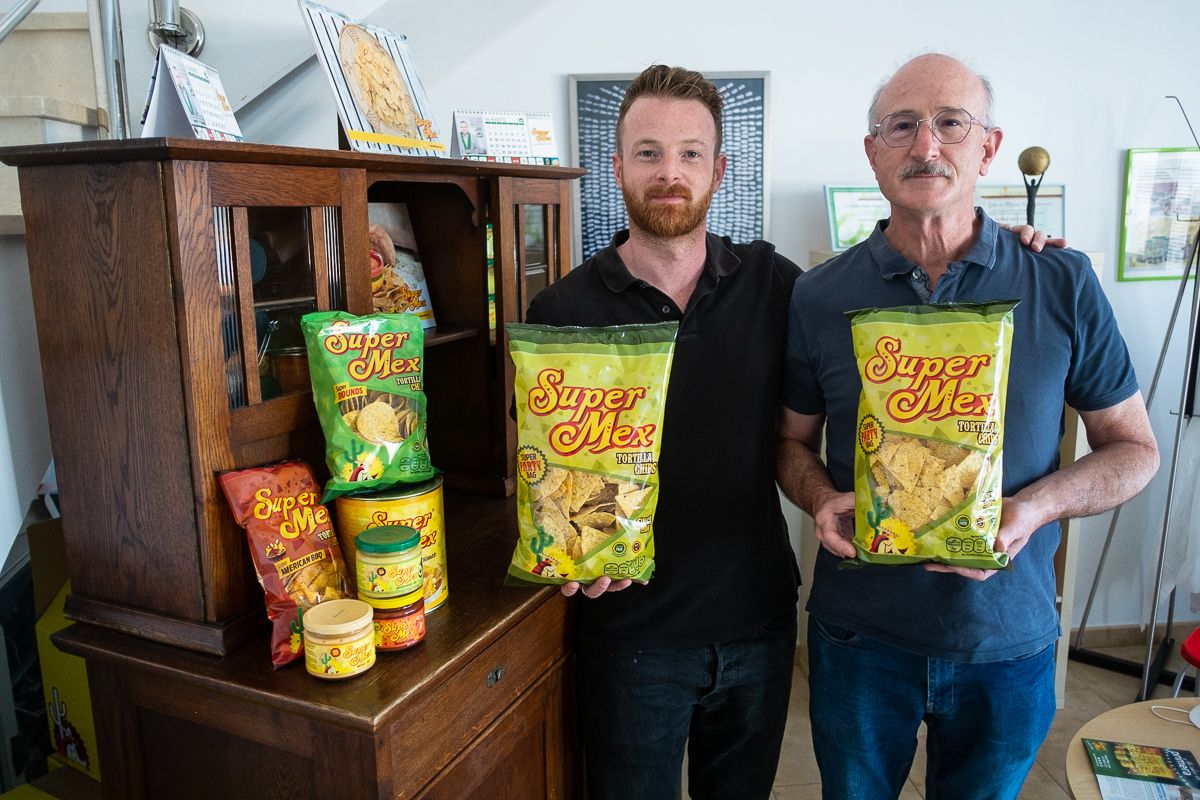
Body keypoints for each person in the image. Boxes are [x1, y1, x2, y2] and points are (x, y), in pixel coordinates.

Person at [777, 53, 1160, 800]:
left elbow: (1135, 450)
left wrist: (1035, 509)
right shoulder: (821, 295)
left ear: (988, 146)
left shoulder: (1058, 280)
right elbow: (791, 442)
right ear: (872, 151)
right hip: (859, 636)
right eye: (902, 126)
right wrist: (821, 499)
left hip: (1008, 641)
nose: (926, 145)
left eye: (951, 123)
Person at [521, 64, 802, 799]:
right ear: (616, 167)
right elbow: (546, 470)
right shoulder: (561, 311)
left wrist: (1014, 247)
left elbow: (877, 285)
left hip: (758, 624)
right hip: (630, 635)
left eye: (689, 153)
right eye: (648, 152)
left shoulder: (777, 286)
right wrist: (569, 544)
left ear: (719, 169)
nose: (669, 172)